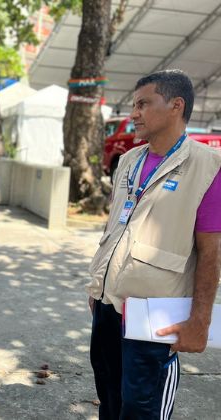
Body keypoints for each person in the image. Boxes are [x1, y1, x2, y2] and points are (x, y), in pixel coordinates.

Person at [87, 69, 221, 419]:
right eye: (134, 105)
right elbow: (116, 225)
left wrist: (200, 321)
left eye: (143, 104)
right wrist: (98, 286)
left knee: (142, 408)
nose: (133, 114)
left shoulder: (206, 167)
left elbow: (211, 252)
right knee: (110, 399)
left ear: (176, 106)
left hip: (155, 317)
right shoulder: (129, 161)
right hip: (107, 307)